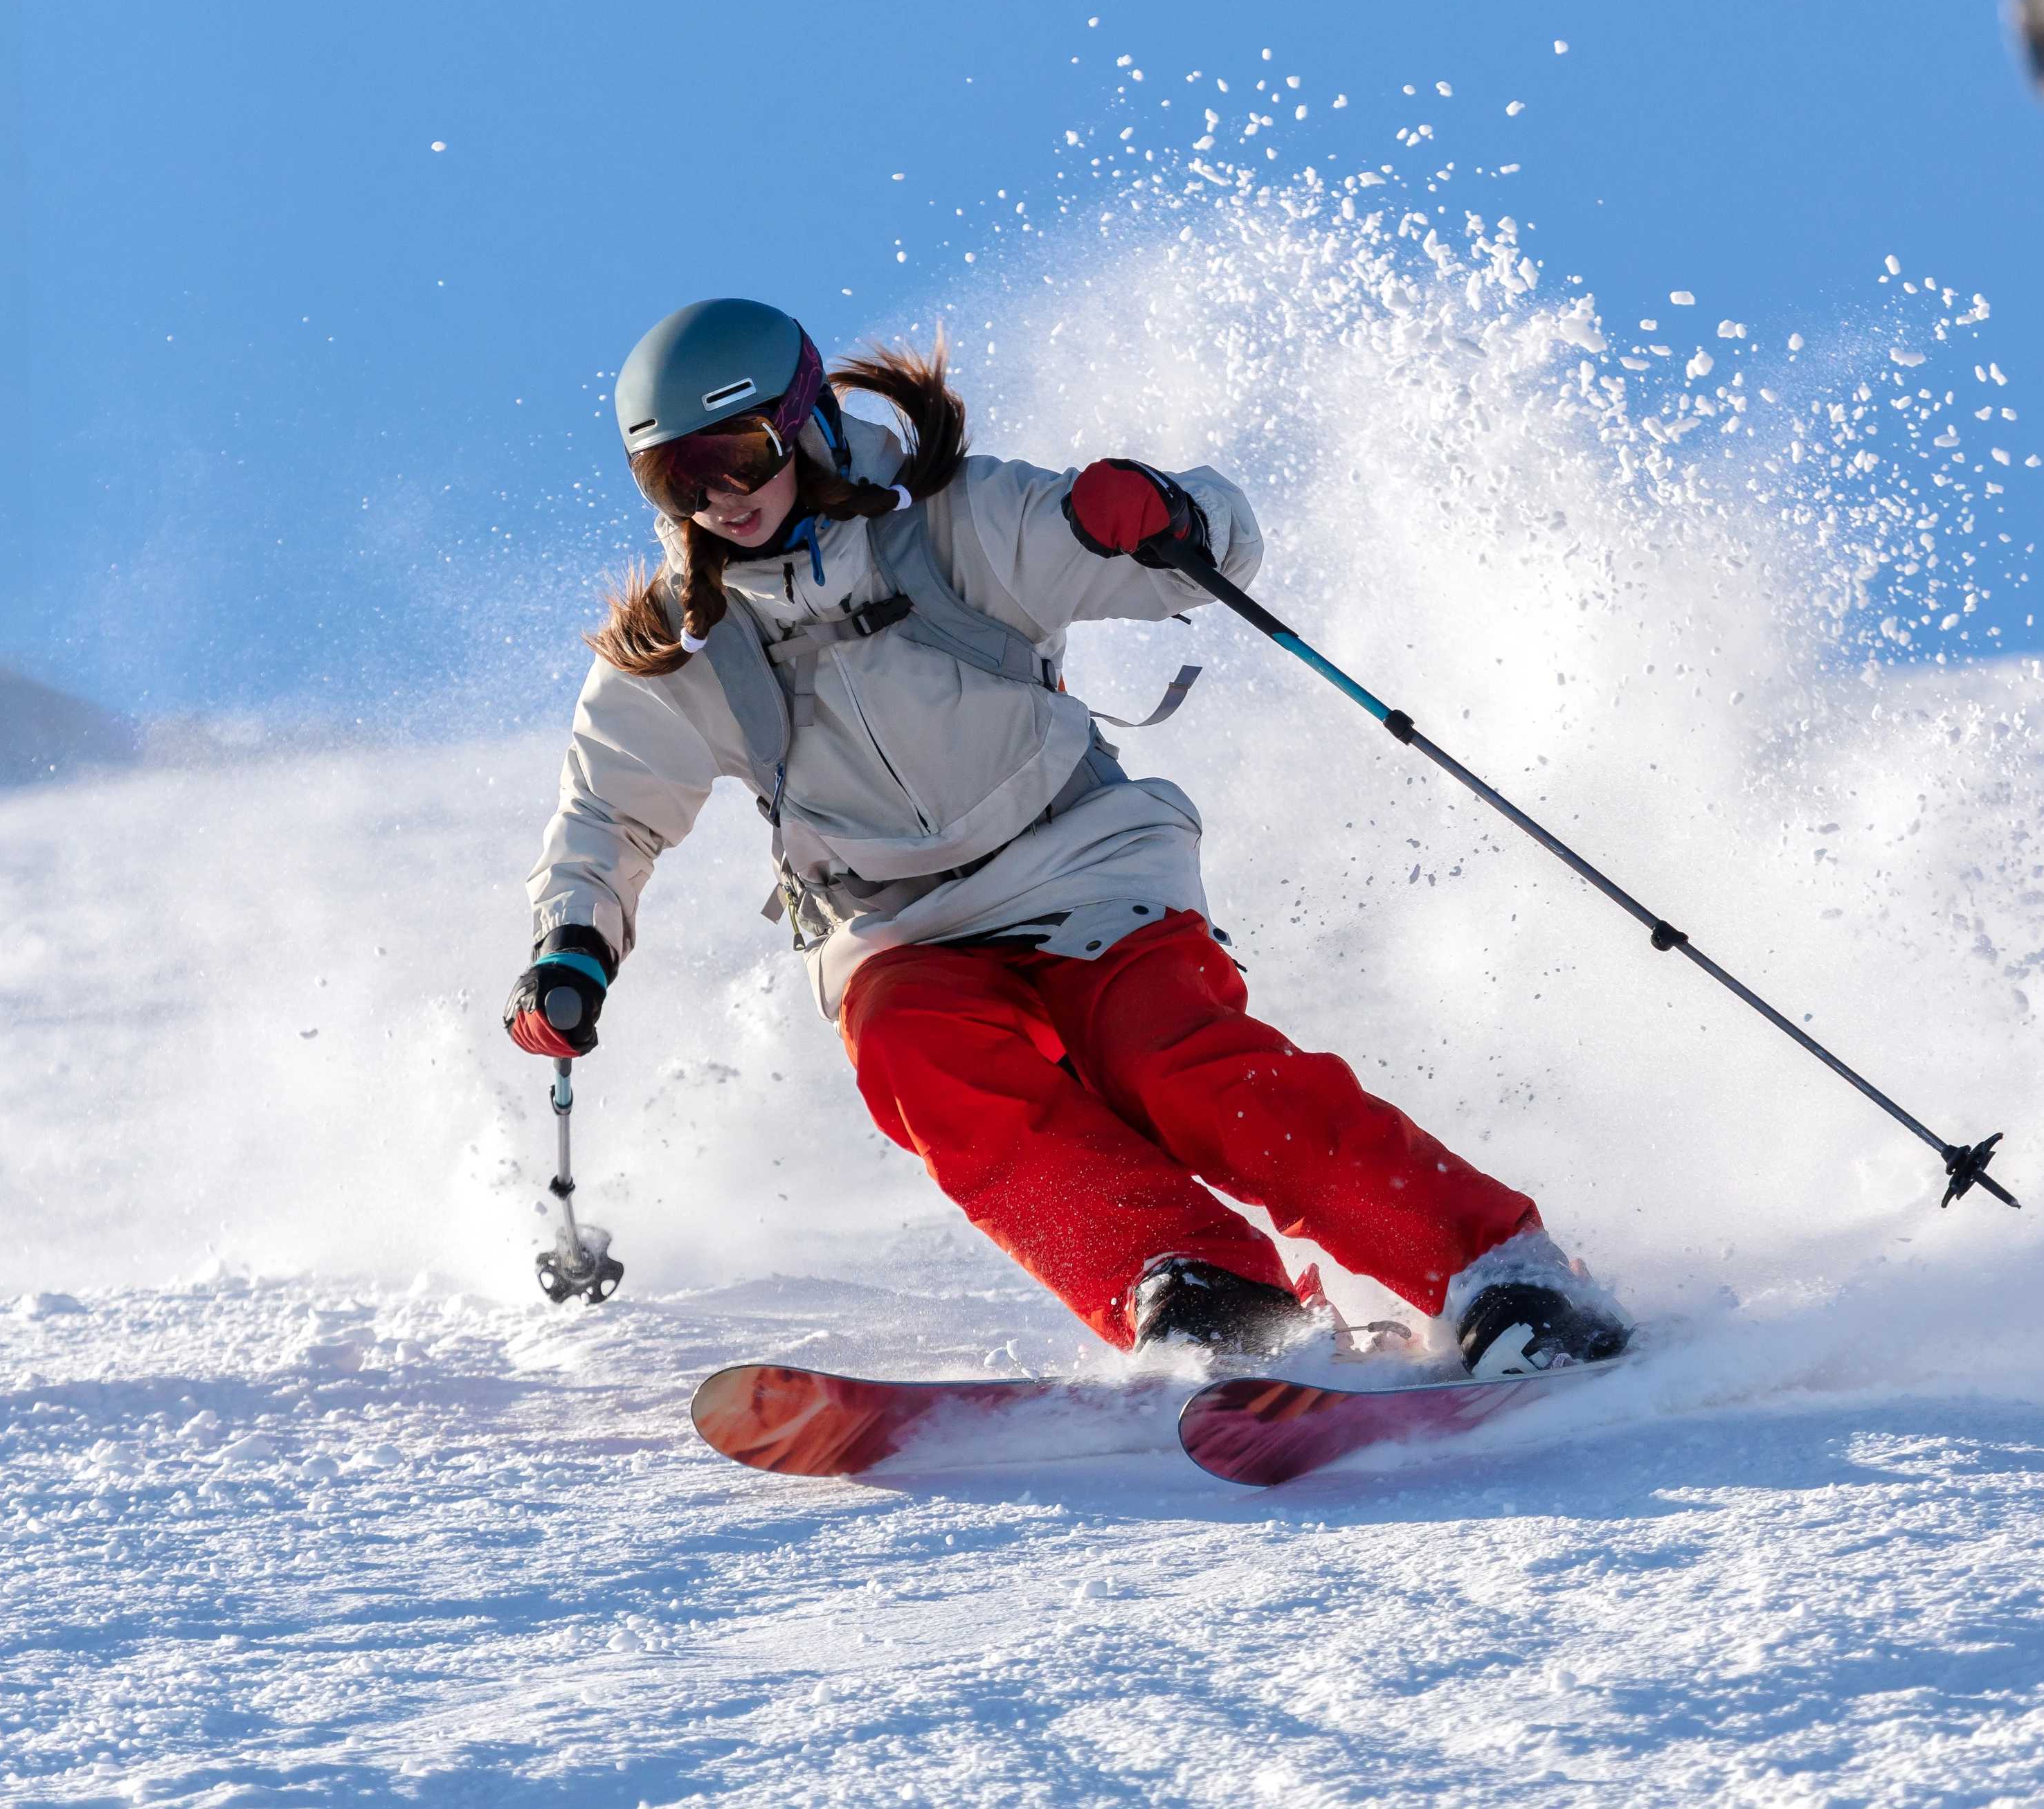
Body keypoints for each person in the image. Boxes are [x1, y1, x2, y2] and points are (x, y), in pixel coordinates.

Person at [506, 298, 1628, 1376]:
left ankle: (1498, 1270)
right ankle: (1203, 1289)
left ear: (803, 423)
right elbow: (608, 812)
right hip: (895, 925)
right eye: (676, 476)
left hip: (1081, 863)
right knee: (918, 1057)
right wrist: (573, 943)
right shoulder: (685, 644)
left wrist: (1158, 517)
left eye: (740, 454)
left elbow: (1213, 549)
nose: (719, 497)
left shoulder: (952, 524)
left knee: (1175, 1063)